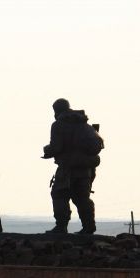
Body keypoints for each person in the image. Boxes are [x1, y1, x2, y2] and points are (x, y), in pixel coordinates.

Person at [43, 98, 102, 234]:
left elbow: (56, 147)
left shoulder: (58, 125)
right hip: (86, 170)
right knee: (82, 198)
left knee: (59, 195)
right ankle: (89, 227)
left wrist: (47, 150)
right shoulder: (84, 125)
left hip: (67, 169)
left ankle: (61, 226)